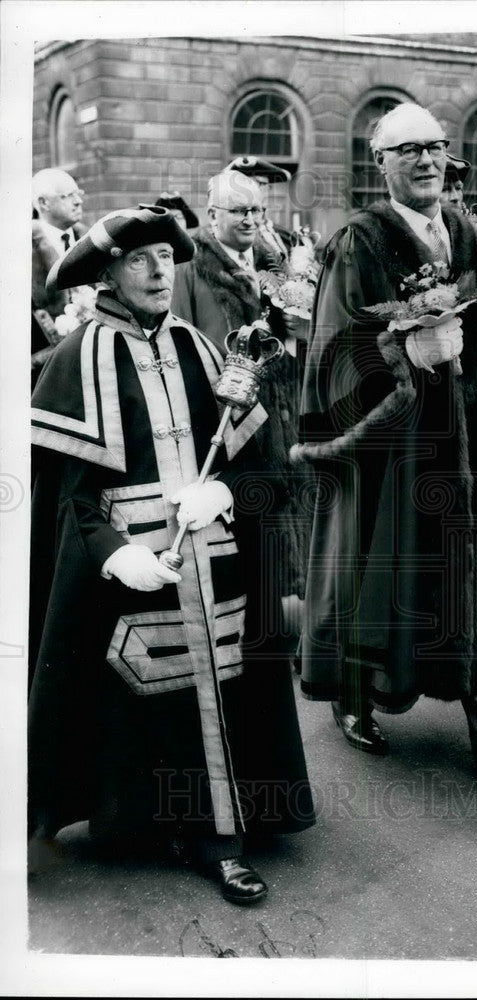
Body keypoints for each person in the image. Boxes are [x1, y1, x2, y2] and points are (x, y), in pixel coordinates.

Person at [29, 205, 314, 904]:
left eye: (166, 257)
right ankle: (149, 823)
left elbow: (262, 468)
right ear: (109, 273)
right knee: (145, 706)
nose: (160, 271)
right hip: (132, 575)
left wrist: (221, 492)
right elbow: (64, 500)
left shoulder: (203, 347)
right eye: (139, 260)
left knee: (224, 690)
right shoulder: (77, 356)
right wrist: (110, 553)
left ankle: (220, 836)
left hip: (214, 566)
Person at [293, 102, 477, 800]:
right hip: (396, 457)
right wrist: (406, 349)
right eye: (408, 150)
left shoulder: (466, 233)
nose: (425, 161)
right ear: (379, 164)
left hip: (469, 453)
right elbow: (330, 356)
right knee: (382, 583)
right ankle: (355, 698)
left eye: (436, 148)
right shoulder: (359, 240)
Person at [171, 161, 312, 640]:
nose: (252, 219)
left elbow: (299, 334)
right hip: (226, 418)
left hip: (284, 412)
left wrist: (296, 333)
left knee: (289, 517)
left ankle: (292, 629)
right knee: (247, 525)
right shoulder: (188, 265)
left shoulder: (276, 260)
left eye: (258, 209)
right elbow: (181, 342)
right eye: (239, 211)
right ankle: (254, 632)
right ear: (213, 216)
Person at [31, 168, 86, 380]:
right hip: (46, 373)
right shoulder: (18, 249)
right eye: (67, 196)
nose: (78, 202)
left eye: (78, 193)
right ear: (43, 203)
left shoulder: (92, 240)